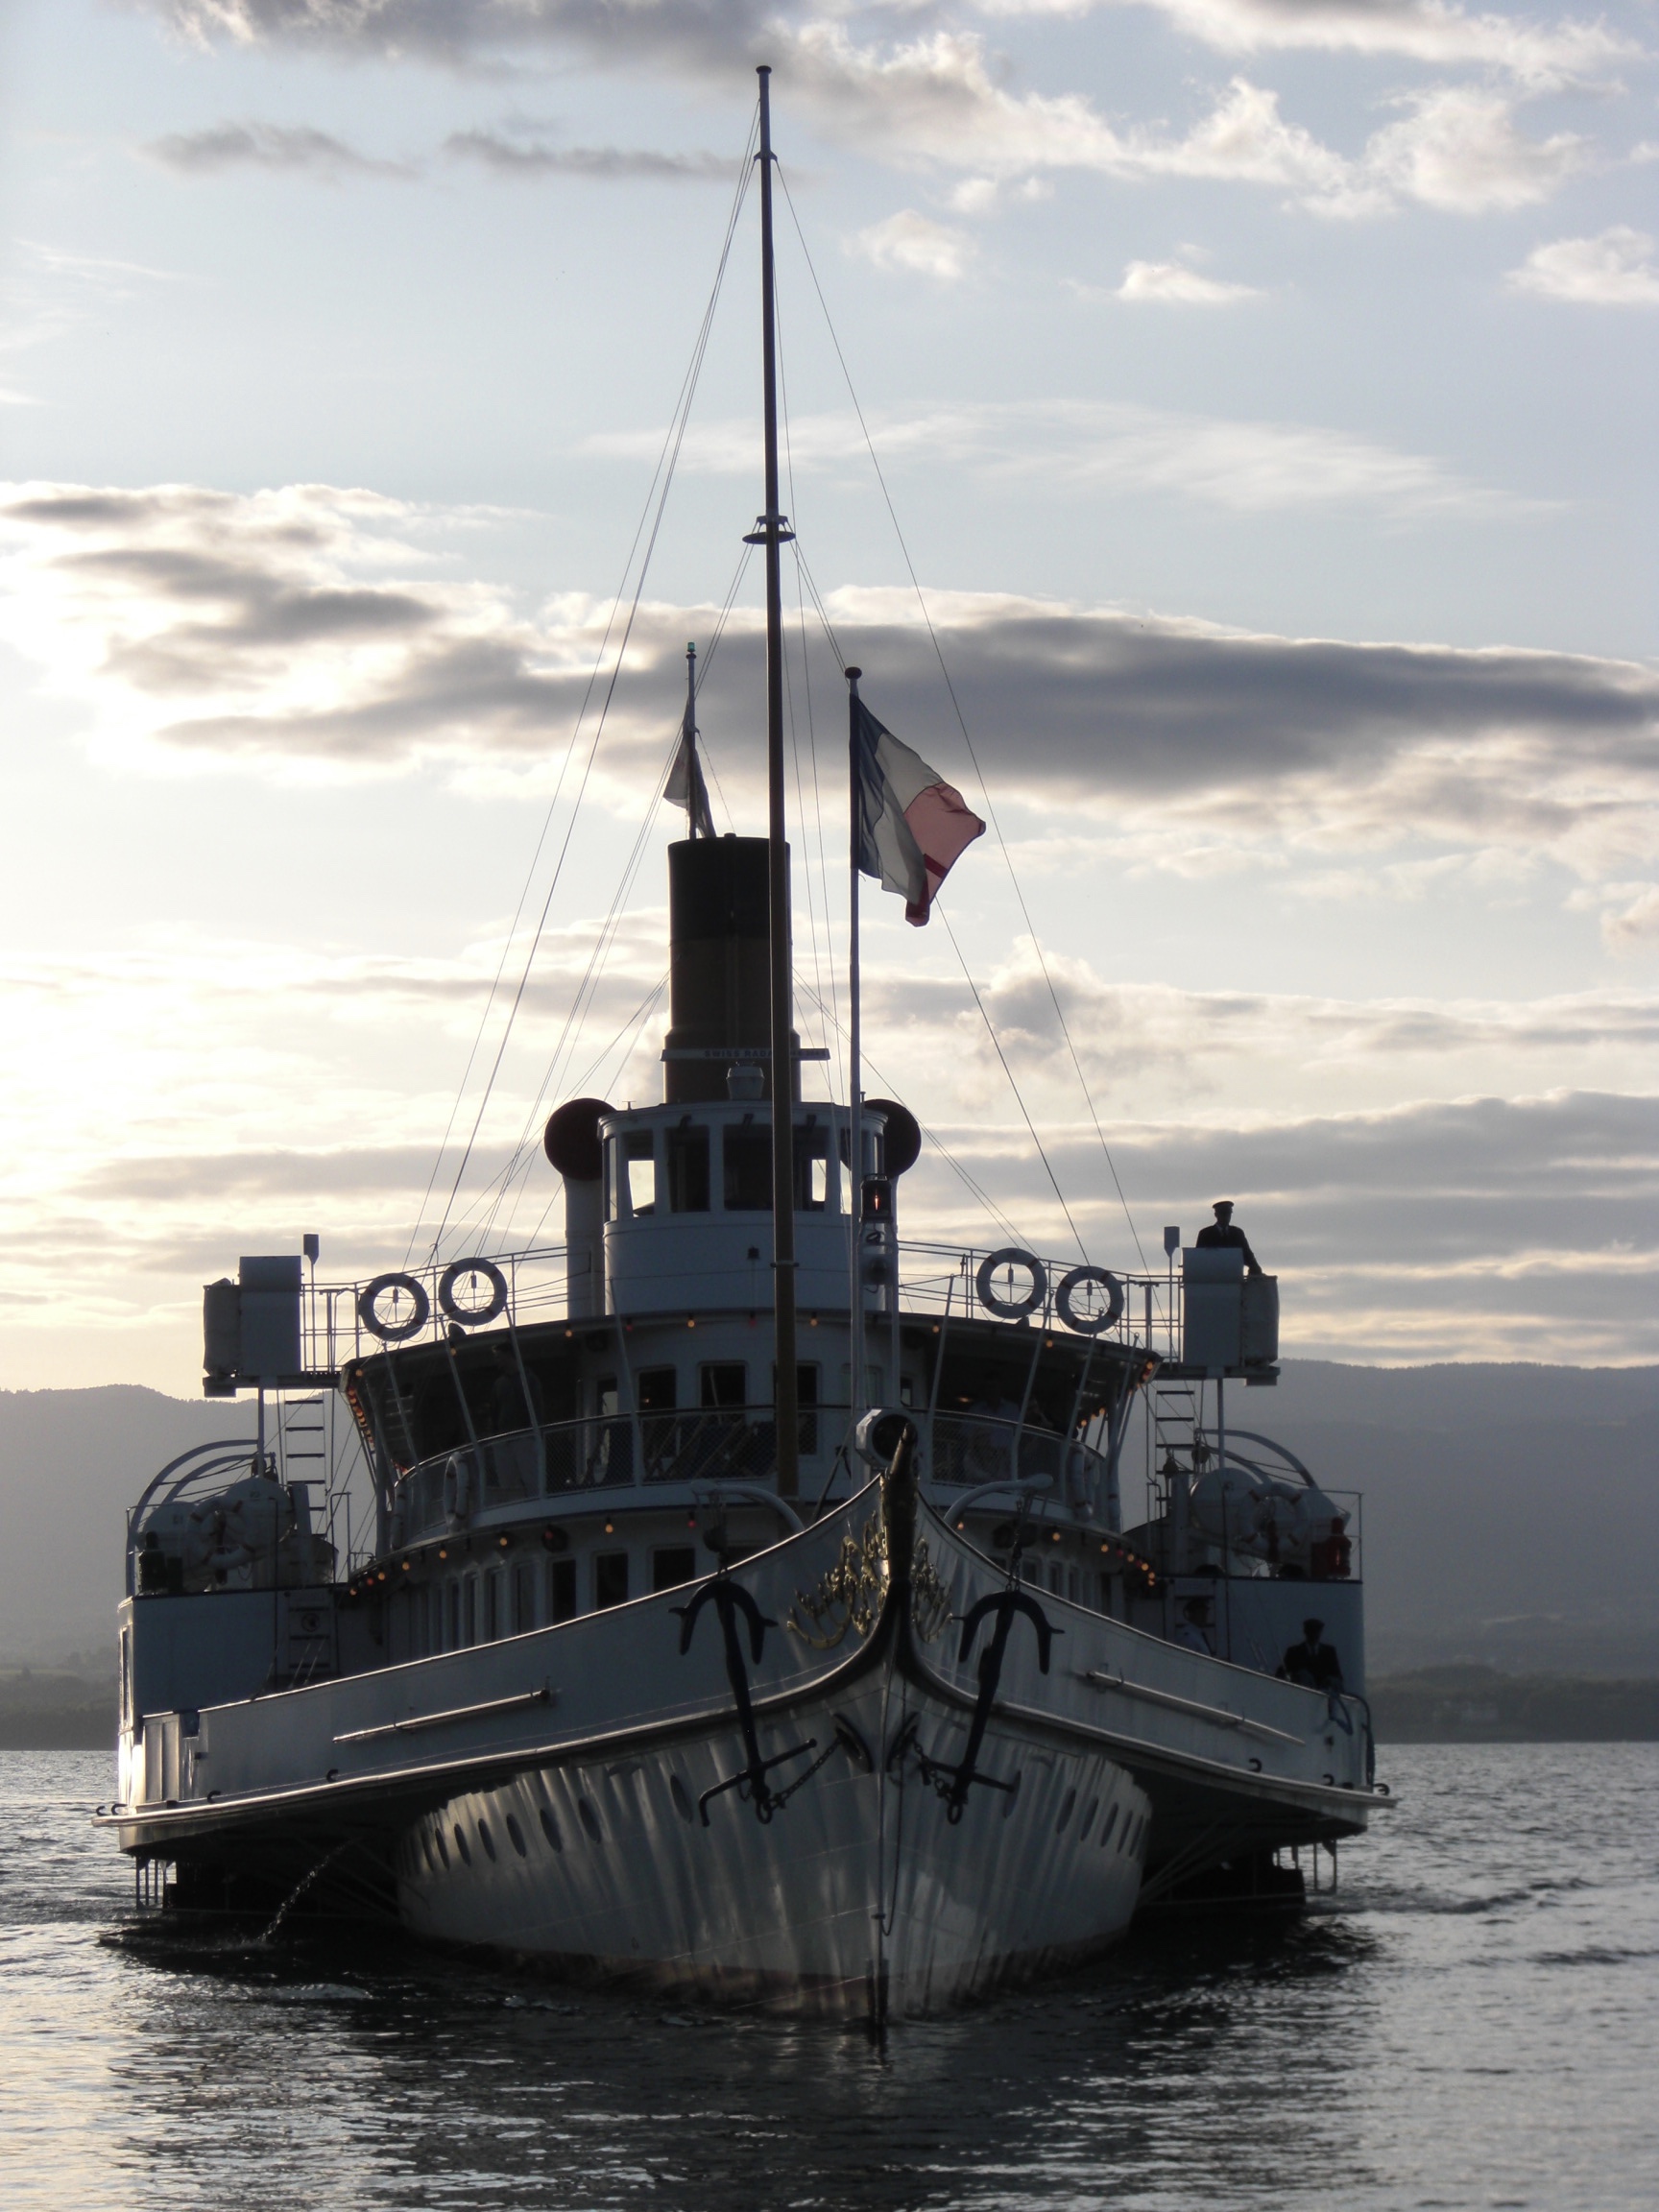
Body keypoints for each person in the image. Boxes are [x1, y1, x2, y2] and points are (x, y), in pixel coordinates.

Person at [1194, 1199, 1262, 1276]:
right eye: (1223, 1214)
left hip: (1234, 1277)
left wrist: (1255, 1268)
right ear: (1216, 1215)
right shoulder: (1205, 1234)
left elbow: (1247, 1255)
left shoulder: (1237, 1233)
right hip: (1211, 1277)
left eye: (1228, 1214)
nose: (1226, 1217)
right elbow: (1199, 1258)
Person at [1276, 1618, 1343, 1692]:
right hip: (1300, 1695)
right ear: (1305, 1632)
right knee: (1303, 1675)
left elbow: (1337, 1676)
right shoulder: (1294, 1652)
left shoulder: (1329, 1652)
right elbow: (1282, 1673)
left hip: (1324, 1698)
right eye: (1311, 1631)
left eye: (1316, 1632)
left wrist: (1330, 1683)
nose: (1314, 1635)